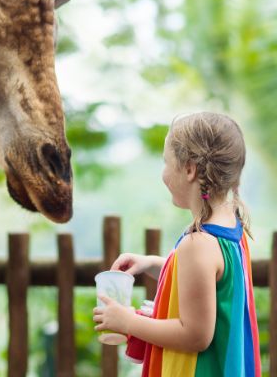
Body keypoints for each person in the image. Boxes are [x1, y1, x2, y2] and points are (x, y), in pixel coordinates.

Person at [93, 111, 261, 376]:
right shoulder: (230, 226)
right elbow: (207, 285)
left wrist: (128, 321)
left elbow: (195, 335)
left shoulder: (198, 244)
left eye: (166, 162)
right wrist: (152, 264)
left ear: (190, 169)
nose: (163, 172)